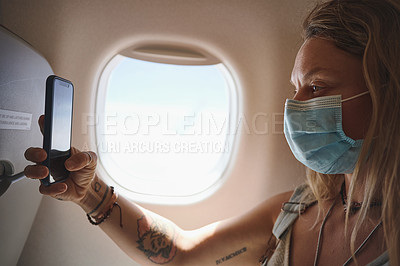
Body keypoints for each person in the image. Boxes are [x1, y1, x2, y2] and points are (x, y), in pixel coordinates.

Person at [24, 0, 400, 265]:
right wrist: (88, 191)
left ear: (387, 93)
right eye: (295, 88)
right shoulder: (296, 210)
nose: (295, 106)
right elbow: (182, 254)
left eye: (316, 88)